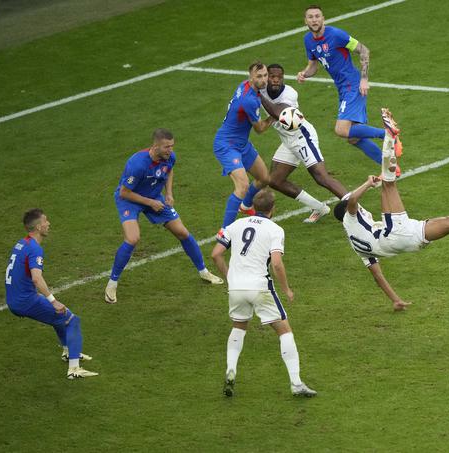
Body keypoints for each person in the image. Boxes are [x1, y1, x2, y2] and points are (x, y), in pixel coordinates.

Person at [333, 112, 449, 310]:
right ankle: (389, 136)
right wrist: (367, 184)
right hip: (393, 234)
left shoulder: (356, 246)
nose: (361, 208)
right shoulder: (349, 219)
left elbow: (377, 275)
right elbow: (352, 201)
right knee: (388, 184)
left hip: (408, 241)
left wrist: (395, 299)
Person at [211, 190, 317, 397]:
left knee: (239, 326)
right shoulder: (275, 229)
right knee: (284, 331)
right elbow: (276, 263)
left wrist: (230, 276)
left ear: (253, 206)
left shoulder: (234, 226)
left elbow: (216, 254)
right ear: (273, 209)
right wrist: (286, 288)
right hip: (259, 286)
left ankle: (230, 369)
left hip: (236, 288)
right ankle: (296, 383)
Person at [104, 128, 222, 304]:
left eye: (172, 146)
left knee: (182, 232)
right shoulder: (137, 164)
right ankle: (112, 284)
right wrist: (150, 203)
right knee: (132, 238)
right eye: (167, 147)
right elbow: (124, 193)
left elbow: (169, 171)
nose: (170, 150)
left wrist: (169, 193)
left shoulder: (169, 157)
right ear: (155, 146)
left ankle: (204, 272)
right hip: (130, 200)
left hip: (154, 197)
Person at [297, 5, 402, 174]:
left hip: (352, 85)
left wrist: (364, 79)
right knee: (353, 138)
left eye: (317, 16)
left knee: (341, 130)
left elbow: (364, 50)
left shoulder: (336, 35)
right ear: (305, 21)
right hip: (342, 88)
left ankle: (387, 134)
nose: (314, 20)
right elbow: (313, 66)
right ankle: (390, 167)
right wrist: (304, 74)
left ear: (323, 18)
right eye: (310, 17)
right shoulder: (308, 40)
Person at [5, 209, 98, 379]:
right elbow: (36, 279)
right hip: (26, 301)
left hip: (15, 298)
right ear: (39, 227)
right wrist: (53, 301)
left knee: (59, 318)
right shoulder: (35, 249)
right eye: (46, 221)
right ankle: (74, 370)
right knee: (72, 320)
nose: (49, 224)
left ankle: (68, 352)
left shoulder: (21, 243)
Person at [259, 63, 348, 223]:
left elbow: (277, 112)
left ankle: (357, 209)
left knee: (321, 177)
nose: (275, 80)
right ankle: (319, 207)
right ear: (266, 77)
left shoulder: (289, 94)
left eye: (279, 77)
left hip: (303, 138)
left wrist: (257, 94)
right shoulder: (262, 90)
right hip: (287, 141)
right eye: (272, 76)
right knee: (274, 180)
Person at [213, 61, 274, 231]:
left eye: (265, 75)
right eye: (259, 77)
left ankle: (246, 206)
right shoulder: (249, 101)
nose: (264, 80)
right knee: (242, 186)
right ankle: (225, 231)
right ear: (251, 77)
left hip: (241, 143)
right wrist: (276, 116)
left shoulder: (244, 85)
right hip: (227, 145)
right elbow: (260, 129)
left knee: (264, 178)